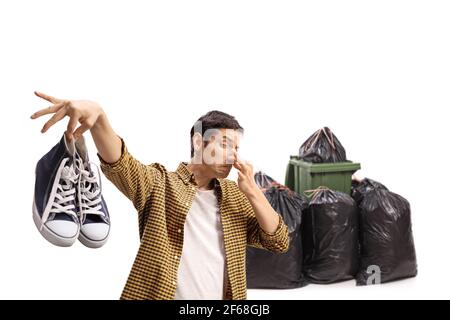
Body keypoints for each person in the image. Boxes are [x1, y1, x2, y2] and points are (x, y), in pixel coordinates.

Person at [31, 91, 289, 300]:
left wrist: (253, 192)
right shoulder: (161, 183)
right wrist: (99, 119)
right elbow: (121, 163)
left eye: (236, 148)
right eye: (224, 145)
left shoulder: (235, 195)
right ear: (199, 142)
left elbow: (279, 241)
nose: (233, 156)